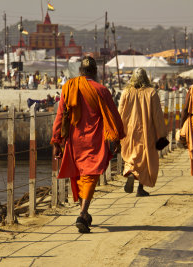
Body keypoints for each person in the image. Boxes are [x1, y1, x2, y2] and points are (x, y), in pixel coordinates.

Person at [51, 56, 125, 233]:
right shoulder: (101, 90)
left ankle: (84, 211)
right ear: (95, 72)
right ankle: (83, 213)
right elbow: (113, 116)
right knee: (90, 175)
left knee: (80, 174)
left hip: (74, 139)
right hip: (94, 139)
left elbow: (60, 116)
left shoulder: (68, 87)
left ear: (80, 71)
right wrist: (116, 137)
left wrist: (56, 141)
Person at [118, 68, 168, 197]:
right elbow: (157, 115)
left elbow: (120, 113)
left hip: (129, 131)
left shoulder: (126, 92)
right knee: (145, 159)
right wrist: (162, 133)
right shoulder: (151, 93)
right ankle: (140, 188)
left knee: (131, 155)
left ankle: (130, 171)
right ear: (146, 78)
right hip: (147, 132)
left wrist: (118, 131)